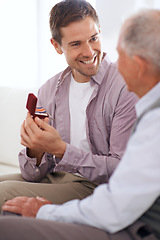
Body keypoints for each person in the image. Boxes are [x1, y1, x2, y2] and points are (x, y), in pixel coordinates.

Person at [1, 8, 160, 240]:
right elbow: (32, 174)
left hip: (92, 184)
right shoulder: (49, 90)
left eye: (94, 39)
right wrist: (35, 147)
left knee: (4, 196)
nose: (89, 51)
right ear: (57, 46)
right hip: (56, 177)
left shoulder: (125, 86)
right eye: (76, 44)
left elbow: (120, 173)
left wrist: (61, 149)